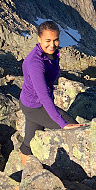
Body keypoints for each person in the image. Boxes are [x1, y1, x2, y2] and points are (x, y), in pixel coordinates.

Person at [19, 20, 84, 167]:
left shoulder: (48, 55)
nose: (52, 44)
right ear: (39, 39)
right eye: (48, 40)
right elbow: (43, 97)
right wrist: (62, 123)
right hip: (35, 106)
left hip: (29, 102)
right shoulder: (36, 63)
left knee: (29, 142)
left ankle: (26, 177)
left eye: (55, 40)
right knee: (74, 129)